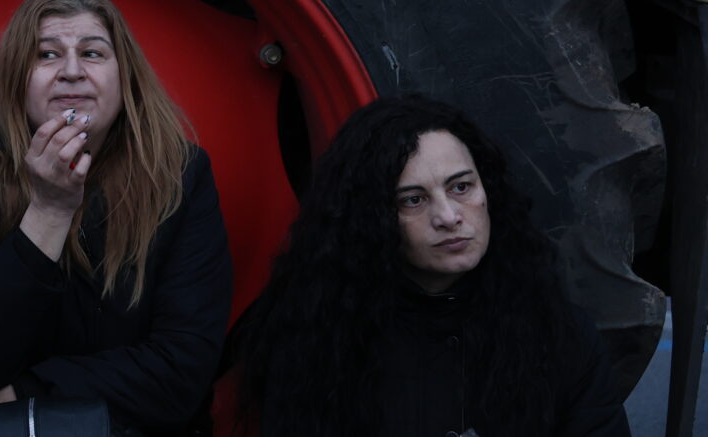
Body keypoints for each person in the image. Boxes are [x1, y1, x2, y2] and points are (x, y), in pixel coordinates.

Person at [0, 0, 232, 436]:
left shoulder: (181, 175)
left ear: (124, 76)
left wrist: (11, 397)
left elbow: (182, 370)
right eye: (46, 55)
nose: (72, 72)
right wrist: (48, 210)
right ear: (16, 77)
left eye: (93, 53)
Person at [230, 95, 628, 437]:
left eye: (461, 187)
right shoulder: (319, 345)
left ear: (488, 189)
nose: (448, 216)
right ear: (372, 220)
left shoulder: (561, 335)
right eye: (413, 200)